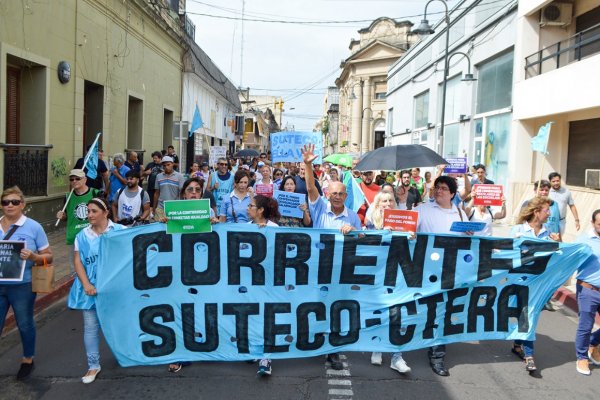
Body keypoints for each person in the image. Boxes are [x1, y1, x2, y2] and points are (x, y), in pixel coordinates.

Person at [302, 144, 361, 371]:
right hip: (318, 267)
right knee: (316, 305)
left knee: (336, 308)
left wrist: (354, 232)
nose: (336, 197)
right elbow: (309, 189)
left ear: (346, 196)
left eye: (340, 194)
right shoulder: (319, 208)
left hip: (341, 270)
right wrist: (308, 164)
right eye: (333, 193)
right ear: (327, 195)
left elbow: (363, 240)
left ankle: (333, 351)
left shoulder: (353, 216)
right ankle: (315, 342)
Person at [415, 175, 470, 377]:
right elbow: (404, 227)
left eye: (444, 188)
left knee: (443, 313)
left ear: (453, 194)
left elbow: (470, 243)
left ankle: (437, 355)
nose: (439, 191)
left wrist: (471, 236)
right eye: (437, 187)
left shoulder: (461, 214)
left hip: (450, 272)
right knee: (422, 310)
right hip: (425, 271)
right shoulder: (423, 209)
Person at [67, 197, 126, 384]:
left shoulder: (120, 231)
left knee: (117, 324)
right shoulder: (82, 236)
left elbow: (137, 247)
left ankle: (124, 354)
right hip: (91, 288)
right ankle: (93, 365)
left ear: (105, 212)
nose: (90, 215)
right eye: (88, 212)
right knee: (91, 328)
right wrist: (86, 284)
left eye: (94, 211)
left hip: (114, 289)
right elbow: (78, 261)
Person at [0, 186, 53, 380]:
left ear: (23, 204)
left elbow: (49, 257)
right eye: (6, 202)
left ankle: (27, 359)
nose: (10, 205)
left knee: (24, 323)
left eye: (15, 202)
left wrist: (33, 256)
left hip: (22, 285)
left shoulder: (33, 227)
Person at [510, 197, 560, 372]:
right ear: (536, 212)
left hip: (538, 285)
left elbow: (556, 259)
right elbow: (505, 255)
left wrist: (557, 244)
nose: (549, 213)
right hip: (519, 282)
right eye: (546, 210)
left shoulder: (549, 233)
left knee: (529, 315)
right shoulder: (517, 231)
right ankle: (518, 345)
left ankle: (528, 354)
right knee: (523, 315)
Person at [365, 190, 412, 374]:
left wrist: (412, 237)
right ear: (378, 204)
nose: (387, 203)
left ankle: (397, 356)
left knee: (400, 312)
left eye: (390, 200)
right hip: (378, 273)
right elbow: (366, 245)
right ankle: (377, 347)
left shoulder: (405, 220)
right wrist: (382, 235)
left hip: (400, 273)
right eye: (383, 201)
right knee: (380, 310)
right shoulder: (371, 222)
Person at [246, 195, 280, 376]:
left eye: (251, 205)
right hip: (248, 283)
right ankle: (254, 350)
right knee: (252, 317)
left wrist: (265, 235)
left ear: (260, 210)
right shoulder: (243, 228)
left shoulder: (274, 228)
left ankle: (266, 358)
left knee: (267, 318)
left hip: (268, 283)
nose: (247, 208)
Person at [56, 169, 102, 269]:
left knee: (96, 266)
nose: (74, 181)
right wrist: (62, 216)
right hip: (74, 237)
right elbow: (67, 217)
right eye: (71, 179)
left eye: (77, 178)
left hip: (93, 236)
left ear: (85, 179)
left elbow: (105, 214)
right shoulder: (68, 197)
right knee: (76, 269)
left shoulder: (96, 193)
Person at [573, 209, 600, 375]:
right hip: (588, 290)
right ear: (593, 223)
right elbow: (569, 258)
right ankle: (582, 357)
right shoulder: (584, 240)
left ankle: (592, 342)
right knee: (586, 325)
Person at [153, 156, 185, 221]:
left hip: (174, 208)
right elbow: (156, 193)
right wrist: (154, 208)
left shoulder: (179, 176)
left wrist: (181, 208)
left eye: (168, 165)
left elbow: (182, 193)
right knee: (159, 228)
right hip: (160, 207)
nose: (166, 167)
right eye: (164, 165)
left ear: (172, 164)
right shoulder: (159, 176)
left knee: (173, 229)